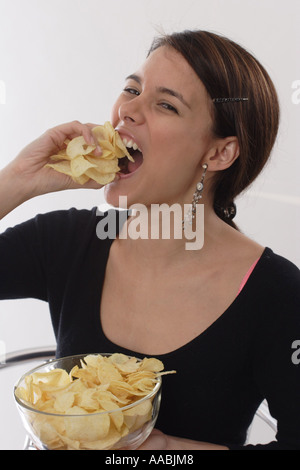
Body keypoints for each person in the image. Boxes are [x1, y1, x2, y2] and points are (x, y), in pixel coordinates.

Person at [1, 30, 300, 450]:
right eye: (131, 89)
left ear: (219, 153)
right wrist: (16, 180)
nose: (128, 111)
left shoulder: (277, 294)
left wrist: (167, 453)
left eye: (165, 104)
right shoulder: (67, 242)